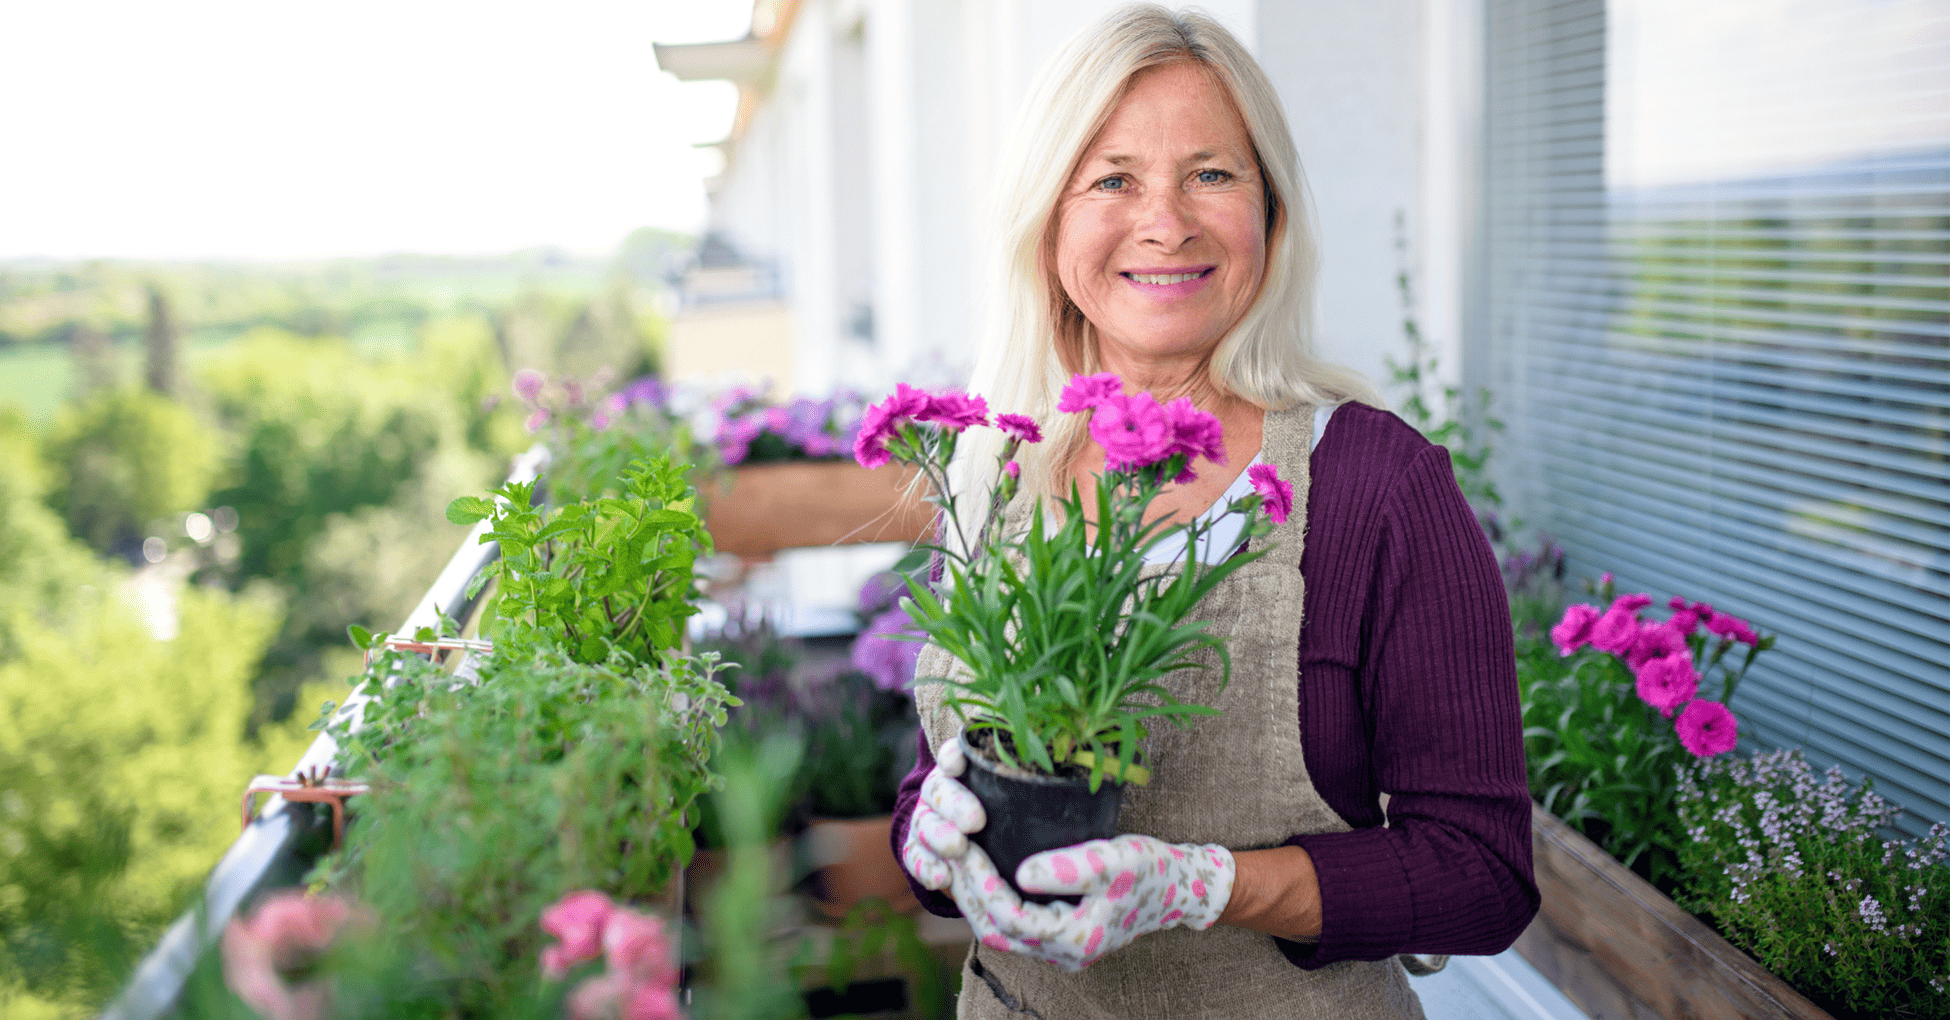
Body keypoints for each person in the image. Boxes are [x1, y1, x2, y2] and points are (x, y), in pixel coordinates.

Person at [888, 5, 1537, 1018]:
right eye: (1113, 178)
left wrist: (1207, 886)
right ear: (1048, 217)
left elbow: (1482, 874)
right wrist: (930, 840)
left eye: (1211, 173)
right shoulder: (995, 466)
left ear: (1270, 212)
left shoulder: (1377, 485)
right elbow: (946, 781)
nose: (1167, 221)